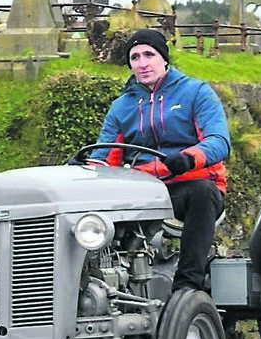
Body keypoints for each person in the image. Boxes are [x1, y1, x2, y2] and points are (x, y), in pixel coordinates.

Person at [91, 28, 231, 292]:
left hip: (189, 185)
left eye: (149, 54)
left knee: (202, 193)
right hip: (142, 189)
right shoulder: (121, 106)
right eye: (135, 57)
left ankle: (187, 288)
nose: (142, 63)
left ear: (164, 58)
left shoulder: (196, 92)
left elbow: (219, 141)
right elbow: (103, 158)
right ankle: (102, 285)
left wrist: (189, 158)